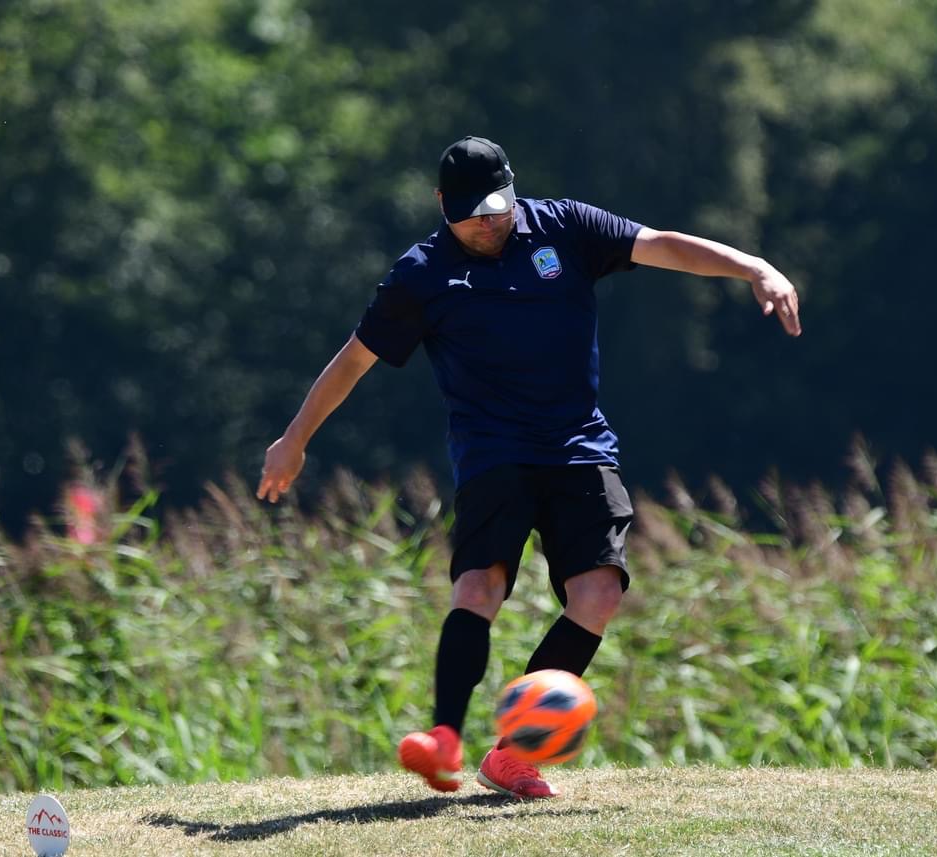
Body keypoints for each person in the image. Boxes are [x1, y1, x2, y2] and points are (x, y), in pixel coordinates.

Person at [257, 135, 801, 799]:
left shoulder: (565, 226)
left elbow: (659, 244)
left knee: (598, 594)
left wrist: (754, 267)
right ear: (440, 205)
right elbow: (353, 360)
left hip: (579, 445)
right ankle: (444, 740)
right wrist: (295, 438)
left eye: (496, 207)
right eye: (469, 212)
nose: (486, 222)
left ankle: (512, 754)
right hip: (494, 452)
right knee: (480, 585)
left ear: (514, 189)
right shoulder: (421, 274)